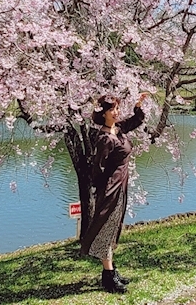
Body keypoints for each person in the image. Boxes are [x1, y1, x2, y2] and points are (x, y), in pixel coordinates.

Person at [80, 92, 148, 293]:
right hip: (112, 189)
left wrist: (138, 104)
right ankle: (108, 277)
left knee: (112, 229)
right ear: (103, 114)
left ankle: (111, 271)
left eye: (117, 108)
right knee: (106, 230)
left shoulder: (117, 130)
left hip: (121, 185)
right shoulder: (105, 138)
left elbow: (136, 120)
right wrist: (103, 188)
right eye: (112, 109)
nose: (116, 112)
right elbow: (97, 168)